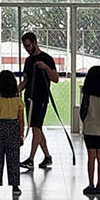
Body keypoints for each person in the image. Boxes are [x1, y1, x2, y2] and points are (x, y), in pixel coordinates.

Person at [20, 30, 59, 171]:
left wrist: (45, 67)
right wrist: (13, 91)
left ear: (35, 43)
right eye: (25, 46)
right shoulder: (28, 61)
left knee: (36, 127)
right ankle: (47, 157)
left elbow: (55, 78)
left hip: (41, 98)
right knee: (36, 128)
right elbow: (26, 81)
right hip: (29, 98)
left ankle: (31, 159)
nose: (27, 49)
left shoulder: (47, 58)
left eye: (28, 45)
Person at [0, 68, 25, 199]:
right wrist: (21, 135)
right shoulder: (18, 101)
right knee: (13, 158)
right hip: (13, 128)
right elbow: (21, 120)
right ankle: (15, 187)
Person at [80, 64, 100, 198]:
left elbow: (83, 111)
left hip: (90, 128)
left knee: (91, 157)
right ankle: (99, 185)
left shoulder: (88, 94)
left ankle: (90, 184)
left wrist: (86, 121)